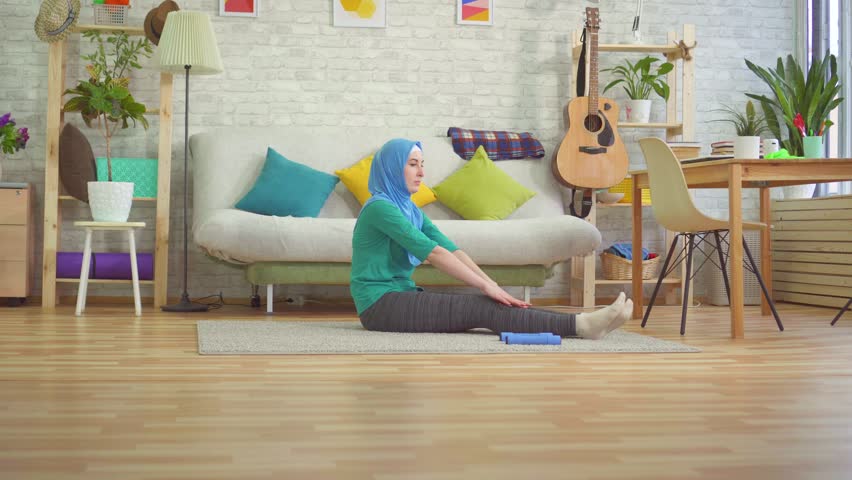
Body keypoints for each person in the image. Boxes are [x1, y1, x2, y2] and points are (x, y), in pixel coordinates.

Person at [350, 138, 632, 339]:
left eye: (422, 164)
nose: (422, 173)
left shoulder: (408, 209)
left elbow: (451, 249)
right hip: (379, 306)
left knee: (492, 303)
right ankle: (581, 326)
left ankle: (584, 324)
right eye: (413, 164)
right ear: (391, 167)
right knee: (482, 306)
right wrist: (486, 288)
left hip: (400, 296)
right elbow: (434, 254)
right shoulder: (380, 208)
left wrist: (492, 284)